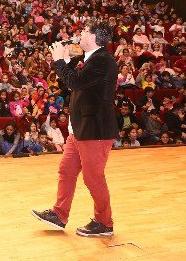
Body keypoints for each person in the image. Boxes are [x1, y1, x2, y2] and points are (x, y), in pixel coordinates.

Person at [32, 20, 119, 237]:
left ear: (92, 37)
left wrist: (60, 61)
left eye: (83, 31)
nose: (79, 34)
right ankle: (59, 214)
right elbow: (72, 77)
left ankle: (104, 223)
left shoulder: (103, 61)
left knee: (93, 178)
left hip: (94, 130)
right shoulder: (90, 58)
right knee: (67, 171)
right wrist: (66, 60)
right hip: (79, 128)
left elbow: (75, 83)